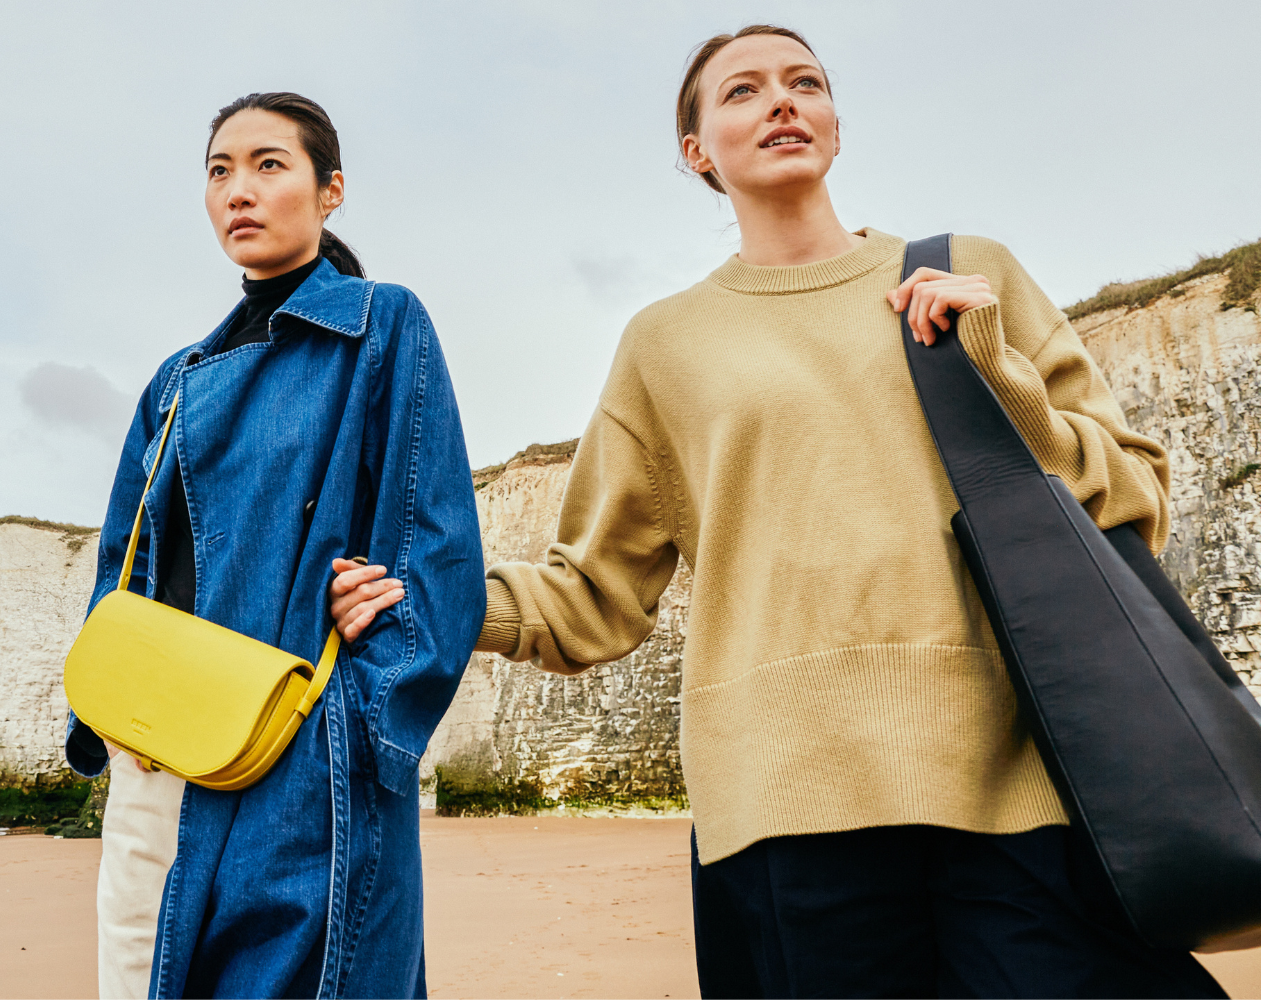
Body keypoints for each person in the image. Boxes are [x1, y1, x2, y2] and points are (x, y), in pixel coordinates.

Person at [331, 25, 1225, 999]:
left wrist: (991, 368)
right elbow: (593, 592)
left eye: (805, 83)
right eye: (743, 91)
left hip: (1013, 781)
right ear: (697, 151)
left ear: (835, 126)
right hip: (781, 802)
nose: (782, 102)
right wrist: (423, 596)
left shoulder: (971, 273)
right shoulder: (663, 344)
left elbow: (1131, 493)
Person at [63, 91, 483, 999]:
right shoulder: (174, 379)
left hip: (302, 750)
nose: (238, 191)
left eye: (268, 165)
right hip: (153, 754)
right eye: (219, 172)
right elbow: (125, 565)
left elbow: (434, 546)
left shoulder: (381, 324)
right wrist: (106, 717)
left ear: (330, 192)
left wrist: (363, 720)